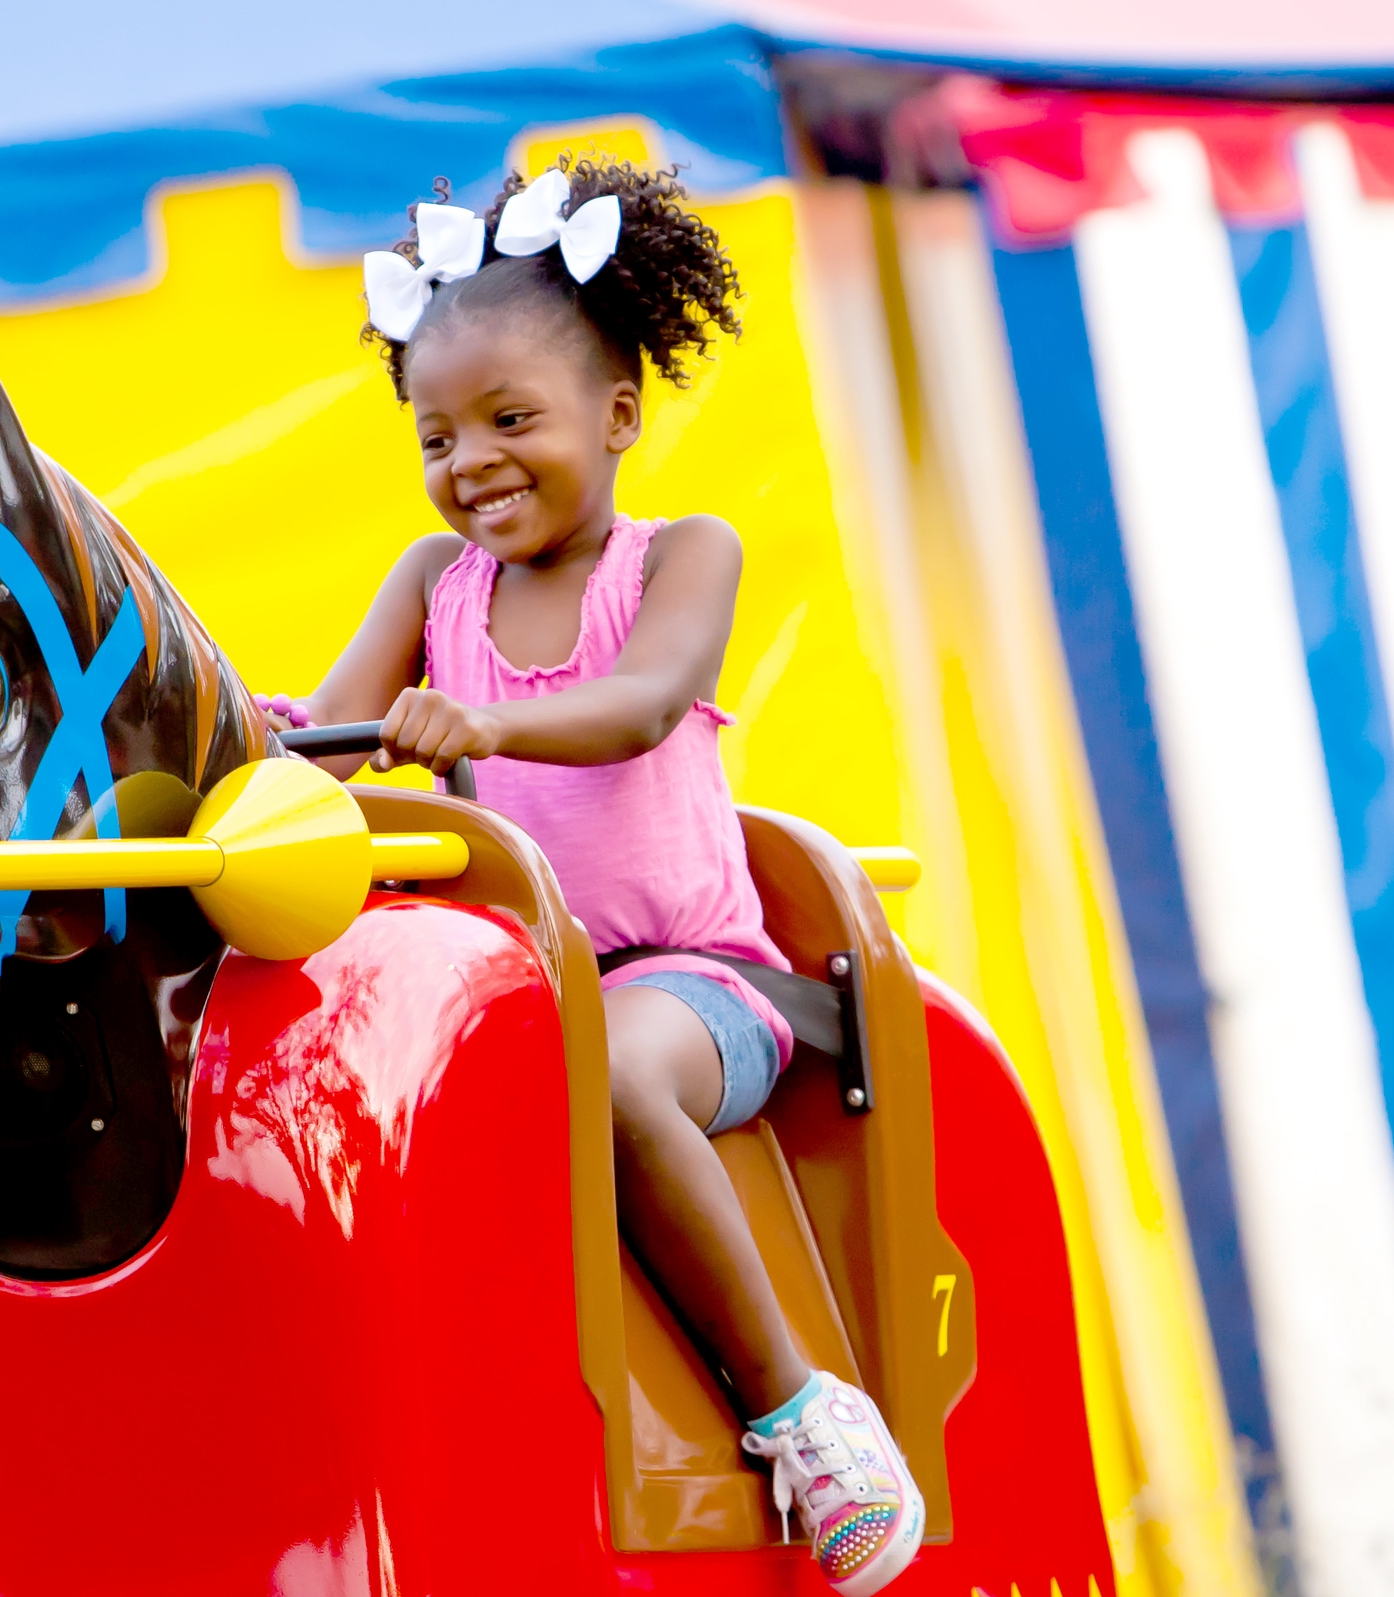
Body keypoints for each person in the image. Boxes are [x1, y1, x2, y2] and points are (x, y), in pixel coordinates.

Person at [256, 158, 924, 1595]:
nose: (472, 462)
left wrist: (487, 724)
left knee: (613, 1071)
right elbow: (325, 745)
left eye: (513, 420)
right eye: (438, 435)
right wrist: (247, 737)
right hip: (520, 991)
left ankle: (803, 1411)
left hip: (696, 985)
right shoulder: (430, 583)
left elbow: (643, 702)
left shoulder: (680, 555)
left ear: (618, 415)